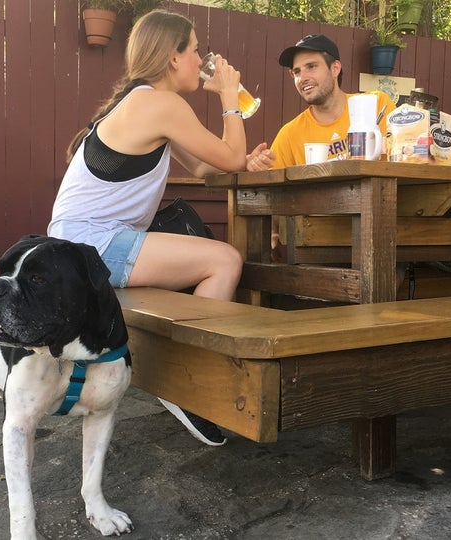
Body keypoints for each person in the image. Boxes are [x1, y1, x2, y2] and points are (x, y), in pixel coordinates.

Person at [48, 10, 248, 446]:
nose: (201, 60)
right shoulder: (160, 104)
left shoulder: (146, 102)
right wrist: (230, 97)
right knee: (224, 260)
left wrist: (247, 160)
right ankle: (186, 384)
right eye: (195, 50)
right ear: (173, 57)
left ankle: (176, 376)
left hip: (82, 240)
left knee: (215, 259)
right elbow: (229, 159)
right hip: (93, 244)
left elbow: (206, 167)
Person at [246, 34, 396, 259]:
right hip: (319, 245)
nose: (302, 77)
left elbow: (408, 155)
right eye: (296, 72)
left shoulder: (376, 105)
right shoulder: (290, 133)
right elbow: (270, 198)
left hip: (383, 233)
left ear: (335, 68)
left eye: (311, 67)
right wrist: (254, 165)